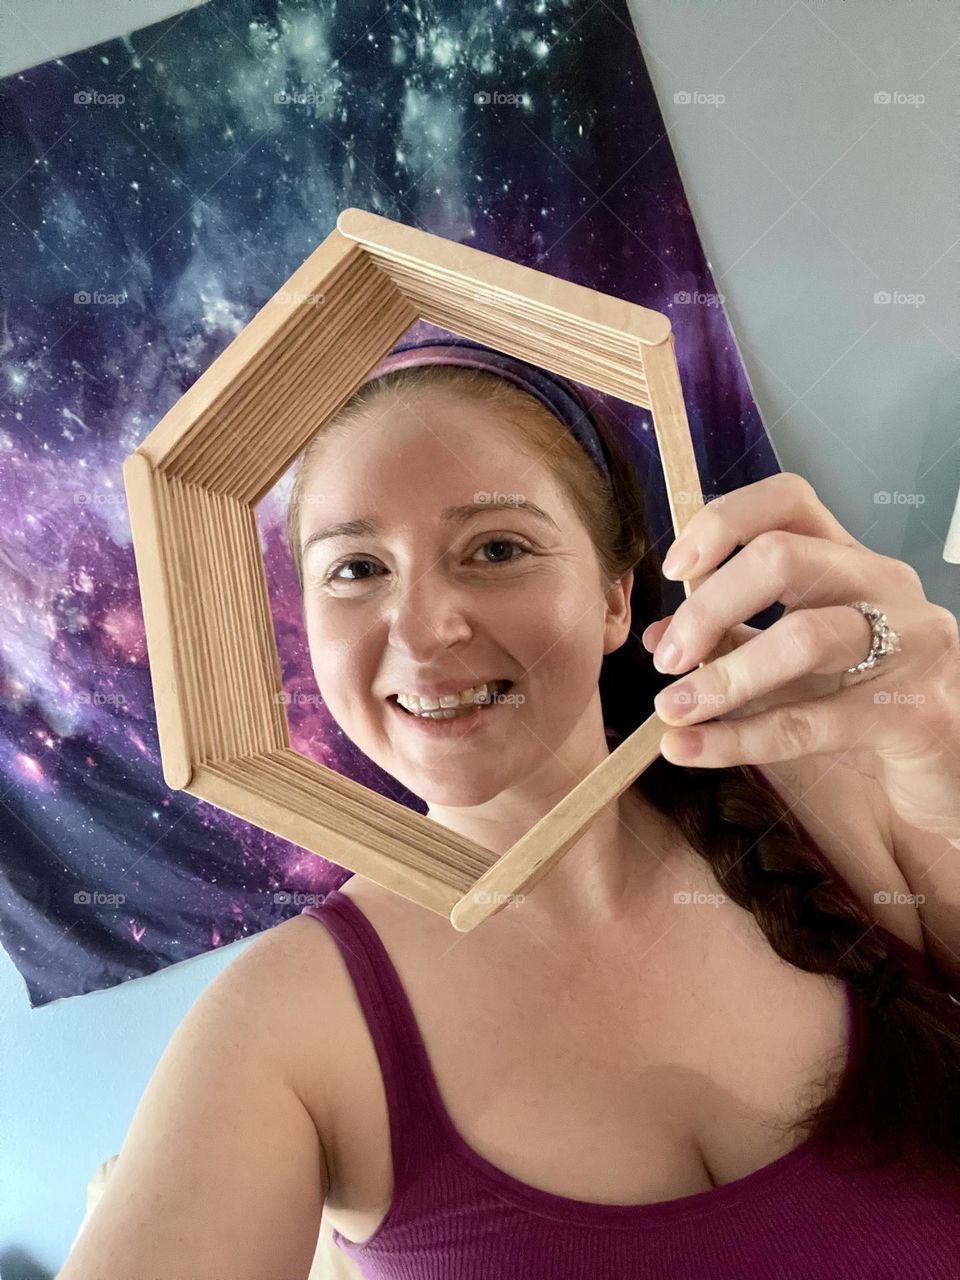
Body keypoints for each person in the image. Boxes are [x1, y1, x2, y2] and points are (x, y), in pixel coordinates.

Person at [58, 338, 960, 1280]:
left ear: (617, 597)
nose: (421, 628)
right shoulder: (284, 1028)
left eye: (495, 549)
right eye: (356, 570)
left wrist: (949, 762)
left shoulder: (845, 801)